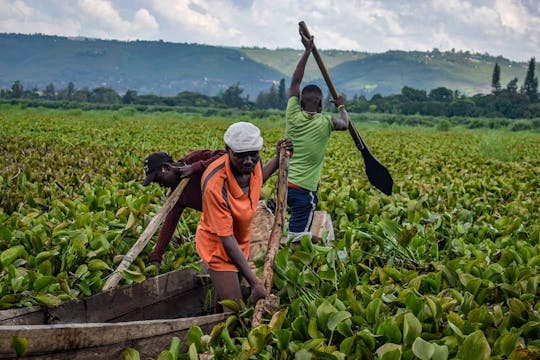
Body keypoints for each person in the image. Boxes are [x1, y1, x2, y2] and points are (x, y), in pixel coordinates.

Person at [196, 122, 293, 307]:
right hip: (218, 248)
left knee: (227, 298)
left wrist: (279, 159)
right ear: (228, 150)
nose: (248, 161)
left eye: (253, 155)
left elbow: (258, 180)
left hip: (241, 242)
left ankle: (215, 313)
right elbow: (226, 239)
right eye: (241, 156)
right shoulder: (215, 184)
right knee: (235, 309)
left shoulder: (251, 165)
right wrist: (255, 282)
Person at [285, 28, 350, 244]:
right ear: (321, 104)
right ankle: (321, 251)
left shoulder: (292, 114)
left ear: (300, 101)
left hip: (283, 187)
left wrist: (307, 51)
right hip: (304, 192)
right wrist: (341, 106)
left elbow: (295, 82)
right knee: (299, 239)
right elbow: (345, 124)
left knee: (290, 228)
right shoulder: (327, 122)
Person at [142, 149, 225, 264]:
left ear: (165, 168)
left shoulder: (194, 159)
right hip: (225, 222)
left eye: (159, 179)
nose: (161, 185)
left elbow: (225, 156)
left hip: (245, 205)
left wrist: (195, 168)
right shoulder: (176, 196)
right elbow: (169, 226)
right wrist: (156, 256)